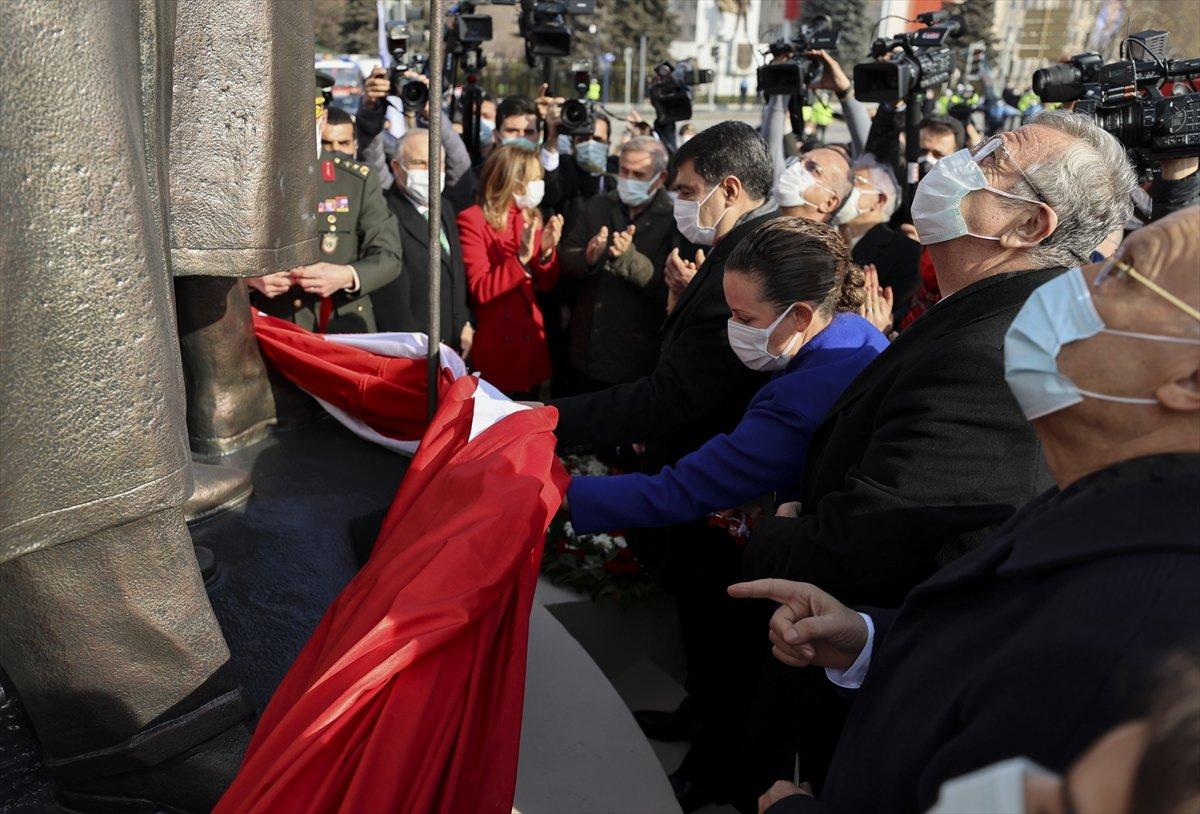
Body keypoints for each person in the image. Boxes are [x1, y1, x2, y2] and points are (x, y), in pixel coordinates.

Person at [733, 205, 1200, 814]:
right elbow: (1000, 644)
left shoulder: (1132, 643)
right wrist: (871, 640)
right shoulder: (1108, 504)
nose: (1077, 277)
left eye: (1122, 273)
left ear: (1190, 381)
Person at [550, 121, 781, 812]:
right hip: (695, 467)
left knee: (720, 635)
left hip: (720, 483)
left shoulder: (754, 258)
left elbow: (676, 393)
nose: (677, 202)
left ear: (728, 188)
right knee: (697, 624)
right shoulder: (728, 248)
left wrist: (553, 419)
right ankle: (696, 716)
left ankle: (714, 762)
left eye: (685, 190)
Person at [567, 217, 887, 533]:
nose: (733, 328)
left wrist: (560, 493)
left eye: (745, 318)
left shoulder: (799, 404)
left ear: (800, 315)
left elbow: (681, 490)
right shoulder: (854, 332)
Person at [249, 107, 403, 333]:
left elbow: (388, 256)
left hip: (341, 325)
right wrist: (251, 279)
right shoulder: (253, 178)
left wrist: (345, 275)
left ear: (322, 120)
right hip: (274, 326)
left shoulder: (355, 179)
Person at [559, 136, 675, 392]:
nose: (629, 179)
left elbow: (666, 285)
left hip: (636, 357)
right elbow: (567, 256)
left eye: (639, 174)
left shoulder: (672, 218)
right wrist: (588, 257)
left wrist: (627, 258)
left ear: (661, 177)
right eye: (624, 171)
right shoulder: (598, 205)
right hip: (587, 348)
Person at [456, 144, 562, 397]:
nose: (539, 185)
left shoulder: (529, 216)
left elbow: (545, 283)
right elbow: (480, 289)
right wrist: (521, 258)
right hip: (497, 347)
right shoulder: (473, 220)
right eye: (533, 179)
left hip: (528, 342)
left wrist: (546, 252)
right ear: (511, 180)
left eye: (540, 178)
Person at [372, 128, 472, 356]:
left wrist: (464, 321)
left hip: (453, 344)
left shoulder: (444, 207)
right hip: (416, 353)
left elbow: (454, 273)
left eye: (437, 163)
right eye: (420, 163)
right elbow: (392, 298)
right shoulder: (385, 214)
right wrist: (416, 351)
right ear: (397, 168)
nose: (431, 172)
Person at [836, 158, 921, 324]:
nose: (844, 187)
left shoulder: (906, 251)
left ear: (880, 199)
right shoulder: (823, 236)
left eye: (855, 180)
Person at [774, 147, 852, 222]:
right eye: (798, 160)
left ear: (829, 203)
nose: (795, 167)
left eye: (812, 168)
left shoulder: (820, 235)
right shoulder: (765, 224)